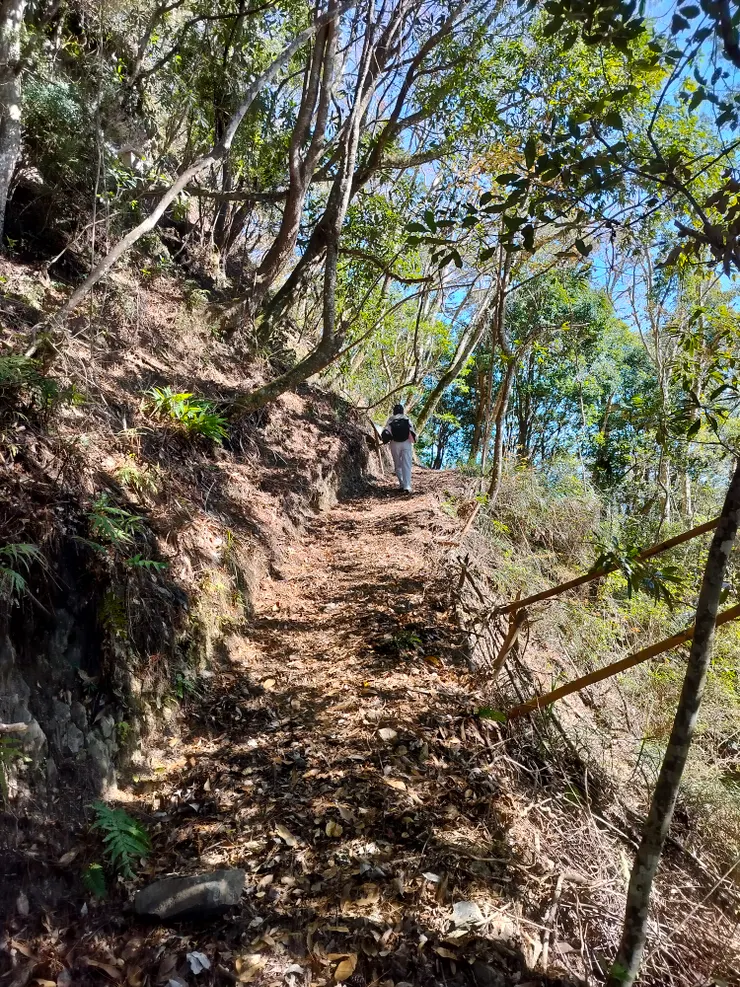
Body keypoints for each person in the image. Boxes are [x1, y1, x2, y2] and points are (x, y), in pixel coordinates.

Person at [383, 403, 416, 493]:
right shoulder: (406, 418)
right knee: (407, 464)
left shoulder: (391, 419)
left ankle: (401, 484)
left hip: (394, 443)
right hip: (406, 443)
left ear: (394, 411)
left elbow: (387, 431)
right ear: (402, 411)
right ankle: (407, 486)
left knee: (398, 464)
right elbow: (412, 432)